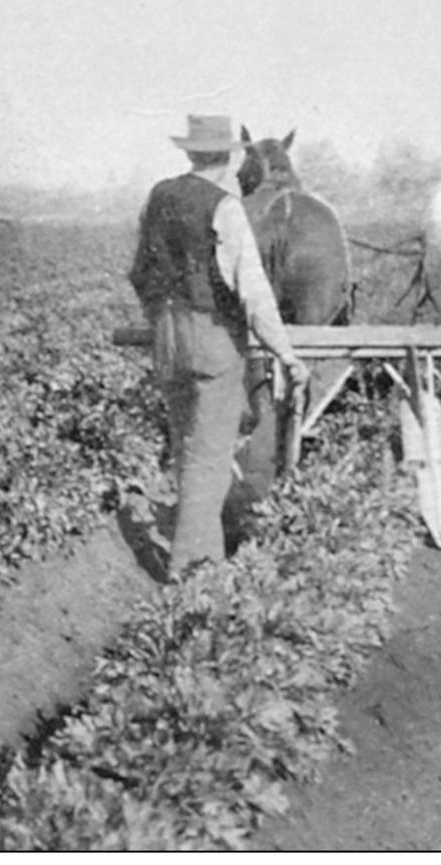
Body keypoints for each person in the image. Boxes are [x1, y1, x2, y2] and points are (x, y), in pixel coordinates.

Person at [128, 114, 309, 579]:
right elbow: (253, 292)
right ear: (229, 156)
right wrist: (286, 355)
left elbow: (140, 273)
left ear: (189, 153)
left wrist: (165, 319)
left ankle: (208, 556)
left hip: (168, 340)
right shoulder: (224, 207)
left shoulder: (158, 197)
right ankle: (190, 566)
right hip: (213, 342)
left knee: (188, 449)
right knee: (210, 457)